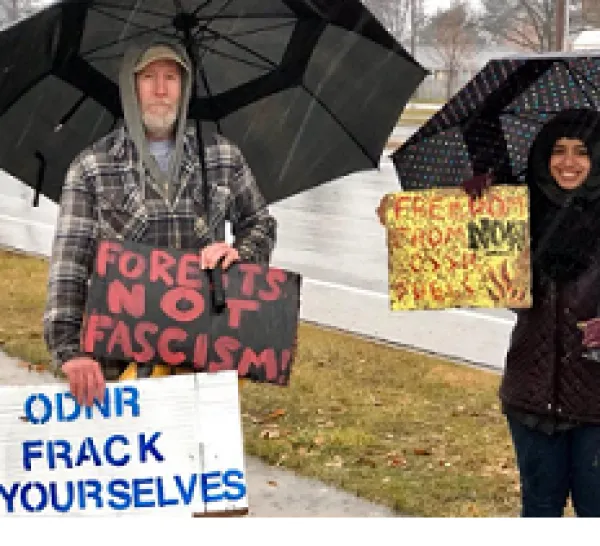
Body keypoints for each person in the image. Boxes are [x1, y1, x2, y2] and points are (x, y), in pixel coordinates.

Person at [43, 41, 277, 407]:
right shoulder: (92, 167)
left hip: (200, 363)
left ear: (185, 88)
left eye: (171, 77)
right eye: (148, 77)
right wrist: (70, 351)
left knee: (197, 462)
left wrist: (237, 255)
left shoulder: (221, 155)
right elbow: (69, 266)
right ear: (129, 87)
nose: (161, 89)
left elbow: (259, 222)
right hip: (119, 367)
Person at [498, 108, 600, 517]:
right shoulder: (518, 212)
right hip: (532, 397)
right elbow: (504, 291)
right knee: (539, 512)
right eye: (558, 151)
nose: (569, 163)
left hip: (596, 402)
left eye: (583, 151)